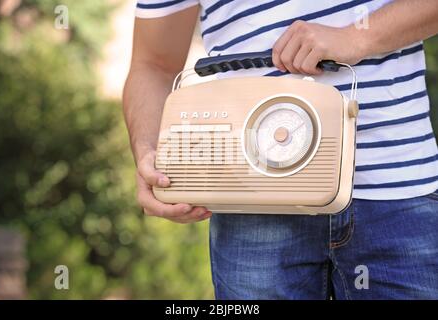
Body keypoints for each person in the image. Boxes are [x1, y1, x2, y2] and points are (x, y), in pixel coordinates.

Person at [123, 0, 438, 299]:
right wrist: (148, 149)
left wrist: (358, 36)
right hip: (251, 201)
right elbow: (154, 65)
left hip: (397, 193)